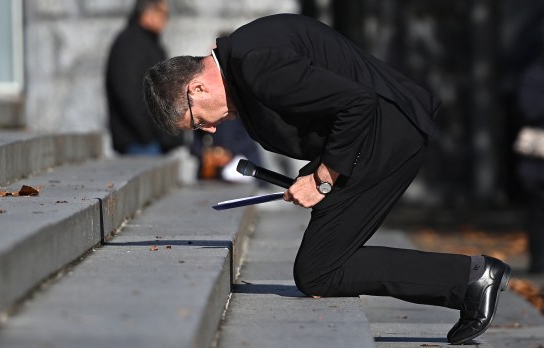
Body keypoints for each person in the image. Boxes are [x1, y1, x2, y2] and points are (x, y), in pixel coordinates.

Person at [142, 14, 511, 344]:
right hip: (371, 139)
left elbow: (357, 103)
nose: (207, 130)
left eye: (196, 122)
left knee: (318, 269)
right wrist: (312, 174)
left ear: (197, 89)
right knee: (321, 266)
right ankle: (469, 278)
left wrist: (322, 178)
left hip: (387, 135)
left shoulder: (256, 64)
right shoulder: (245, 59)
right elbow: (324, 114)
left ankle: (471, 279)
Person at [105, 0, 182, 155]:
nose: (166, 19)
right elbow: (127, 94)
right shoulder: (130, 44)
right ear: (148, 14)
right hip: (141, 142)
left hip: (153, 140)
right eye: (163, 13)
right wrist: (148, 134)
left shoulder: (149, 43)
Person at [516, 53, 544, 274]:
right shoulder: (535, 74)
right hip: (538, 162)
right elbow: (530, 108)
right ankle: (539, 261)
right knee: (538, 213)